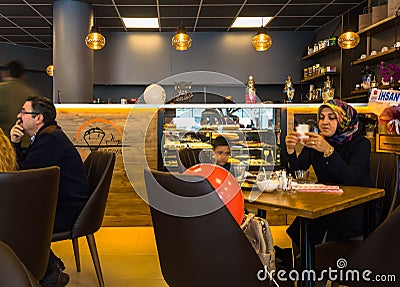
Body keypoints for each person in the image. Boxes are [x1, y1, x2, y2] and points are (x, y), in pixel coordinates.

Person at [10, 96, 90, 287]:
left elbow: (23, 176)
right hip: (63, 204)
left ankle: (50, 274)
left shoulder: (49, 140)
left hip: (68, 211)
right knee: (15, 217)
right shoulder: (47, 136)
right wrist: (16, 142)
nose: (19, 117)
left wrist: (13, 146)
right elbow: (27, 169)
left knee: (14, 223)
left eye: (23, 112)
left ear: (38, 118)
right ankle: (49, 268)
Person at [285, 99, 371, 249]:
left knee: (317, 223)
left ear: (344, 120)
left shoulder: (361, 144)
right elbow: (298, 172)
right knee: (302, 224)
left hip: (357, 206)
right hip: (326, 204)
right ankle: (302, 264)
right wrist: (291, 150)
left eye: (332, 117)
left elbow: (351, 179)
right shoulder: (317, 142)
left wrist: (328, 151)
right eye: (322, 117)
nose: (325, 122)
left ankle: (316, 264)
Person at [0, 61, 39, 138]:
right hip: (26, 144)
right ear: (23, 76)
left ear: (6, 73)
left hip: (4, 144)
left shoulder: (1, 89)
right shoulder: (33, 94)